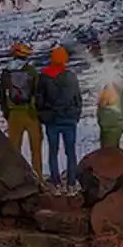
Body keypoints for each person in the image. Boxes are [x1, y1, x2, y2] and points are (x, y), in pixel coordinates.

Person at [37, 46, 83, 191]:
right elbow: (78, 99)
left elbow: (39, 100)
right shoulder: (71, 76)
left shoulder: (43, 77)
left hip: (52, 120)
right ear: (65, 60)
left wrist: (42, 115)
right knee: (70, 152)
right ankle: (71, 183)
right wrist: (76, 115)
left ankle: (56, 183)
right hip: (69, 120)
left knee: (53, 151)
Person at [0, 41, 42, 182]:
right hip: (30, 113)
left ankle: (15, 178)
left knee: (14, 149)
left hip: (14, 113)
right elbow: (38, 93)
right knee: (35, 148)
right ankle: (38, 177)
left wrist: (7, 113)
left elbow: (1, 94)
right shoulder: (31, 71)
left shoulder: (6, 72)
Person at [96, 80, 123, 151]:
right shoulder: (119, 90)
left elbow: (102, 104)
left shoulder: (109, 89)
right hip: (119, 123)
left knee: (108, 150)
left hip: (110, 125)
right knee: (114, 148)